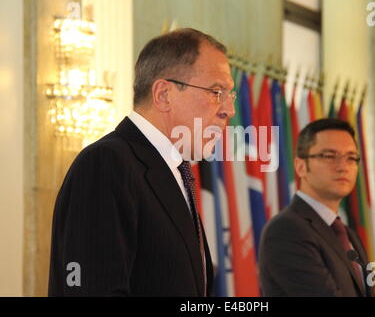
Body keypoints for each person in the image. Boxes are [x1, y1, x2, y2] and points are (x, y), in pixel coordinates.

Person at [48, 28, 236, 296]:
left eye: (230, 94)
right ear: (163, 94)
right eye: (216, 91)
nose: (229, 109)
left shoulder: (177, 172)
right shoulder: (106, 164)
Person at [259, 118, 374, 297]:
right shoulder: (287, 230)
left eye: (351, 158)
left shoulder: (347, 234)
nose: (343, 167)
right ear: (301, 166)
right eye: (329, 156)